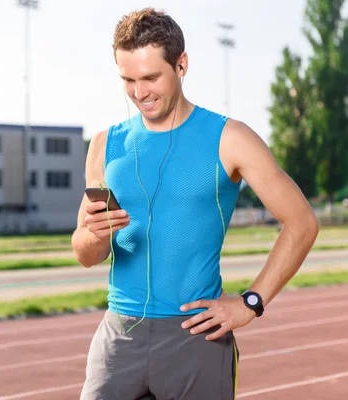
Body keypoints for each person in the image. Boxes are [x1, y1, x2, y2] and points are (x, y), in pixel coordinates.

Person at [71, 7, 319, 400]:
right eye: (128, 80)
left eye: (151, 77)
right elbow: (86, 254)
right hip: (118, 338)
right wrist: (91, 235)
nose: (140, 92)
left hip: (195, 338)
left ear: (181, 65)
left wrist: (251, 302)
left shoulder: (230, 138)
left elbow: (302, 222)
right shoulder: (104, 145)